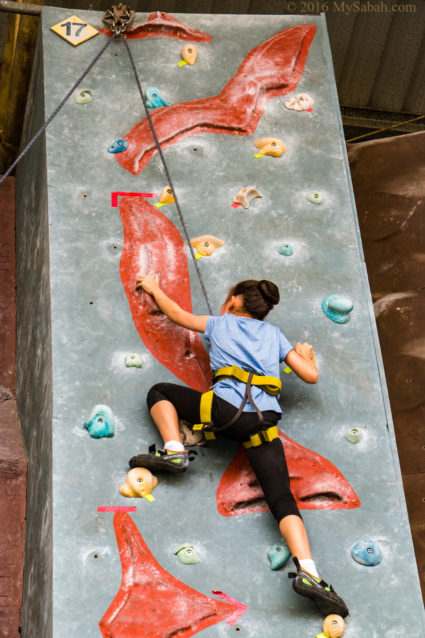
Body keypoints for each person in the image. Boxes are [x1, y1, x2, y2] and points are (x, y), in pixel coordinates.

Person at [130, 276, 349, 619]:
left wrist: (154, 287)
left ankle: (175, 447)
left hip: (222, 412)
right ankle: (310, 572)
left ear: (233, 300)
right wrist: (307, 356)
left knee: (160, 392)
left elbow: (176, 315)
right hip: (261, 426)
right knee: (281, 499)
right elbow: (310, 375)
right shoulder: (275, 336)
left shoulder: (219, 323)